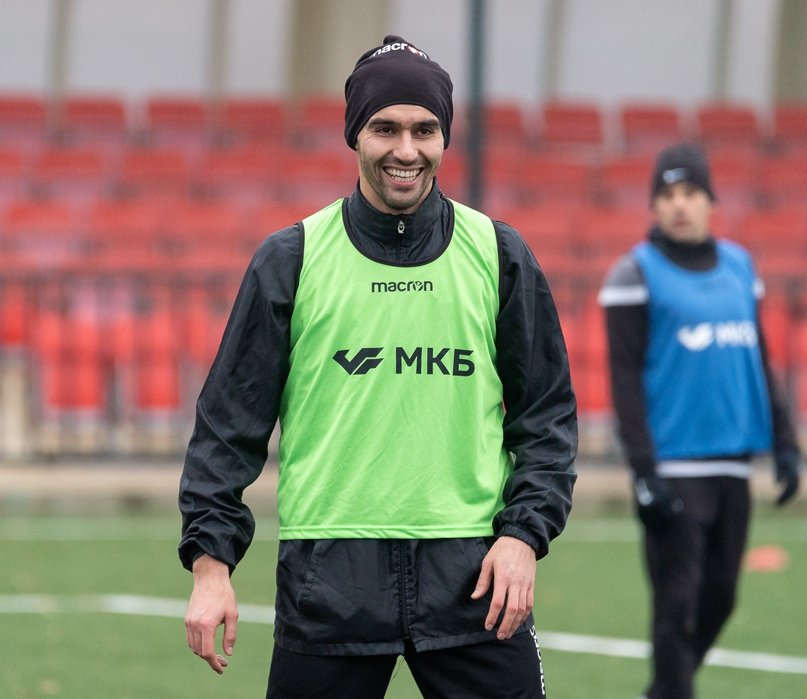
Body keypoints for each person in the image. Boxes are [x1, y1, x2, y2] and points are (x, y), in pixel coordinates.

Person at [179, 35, 577, 698]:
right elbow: (227, 425)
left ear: (444, 137)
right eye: (385, 128)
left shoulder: (499, 254)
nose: (406, 150)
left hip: (476, 579)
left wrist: (522, 537)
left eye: (425, 130)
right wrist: (210, 565)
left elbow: (546, 417)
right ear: (354, 135)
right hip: (327, 582)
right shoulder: (292, 258)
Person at [598, 142, 802, 699]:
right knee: (676, 602)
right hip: (673, 466)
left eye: (691, 193)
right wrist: (644, 472)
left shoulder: (740, 266)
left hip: (733, 463)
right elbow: (624, 381)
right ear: (654, 205)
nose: (680, 205)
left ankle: (665, 689)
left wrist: (786, 443)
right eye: (667, 195)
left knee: (722, 597)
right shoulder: (634, 273)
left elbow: (758, 359)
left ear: (711, 201)